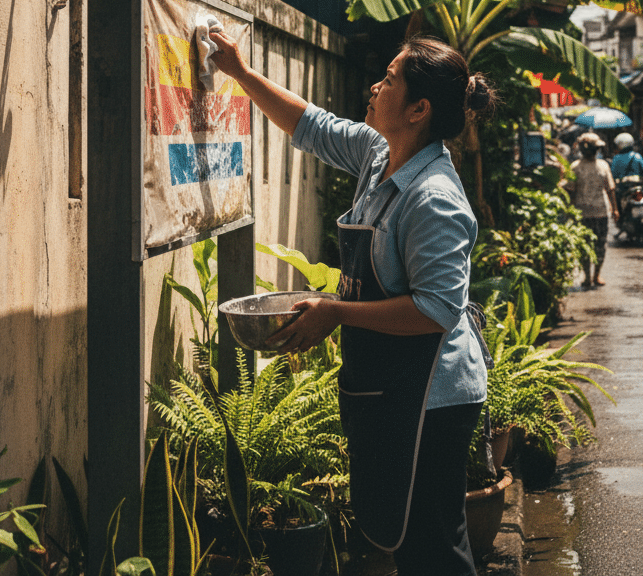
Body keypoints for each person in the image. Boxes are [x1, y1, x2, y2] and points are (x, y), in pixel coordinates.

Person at [209, 31, 495, 576]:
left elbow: (436, 310)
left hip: (433, 397)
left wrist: (337, 312)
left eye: (388, 80)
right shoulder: (377, 153)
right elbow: (310, 125)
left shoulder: (433, 199)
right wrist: (240, 74)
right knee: (404, 538)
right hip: (392, 382)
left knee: (434, 548)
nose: (374, 87)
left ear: (418, 110)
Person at [568, 132, 619, 287]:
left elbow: (610, 189)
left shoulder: (599, 165)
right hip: (588, 213)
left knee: (596, 245)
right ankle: (589, 276)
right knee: (589, 245)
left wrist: (615, 209)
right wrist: (614, 209)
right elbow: (571, 191)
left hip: (596, 212)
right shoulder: (577, 167)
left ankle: (594, 275)